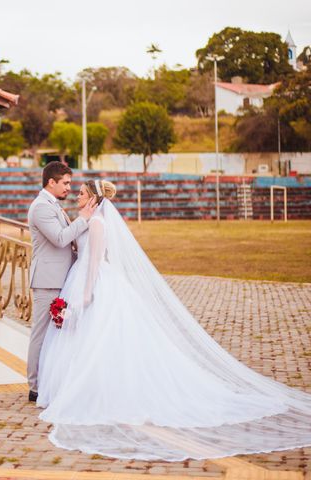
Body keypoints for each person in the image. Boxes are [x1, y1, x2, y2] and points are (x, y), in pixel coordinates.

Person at [36, 178, 311, 461]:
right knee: (87, 341)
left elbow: (94, 262)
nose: (77, 196)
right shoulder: (88, 219)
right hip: (80, 278)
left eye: (81, 193)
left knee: (99, 339)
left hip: (93, 284)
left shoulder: (96, 224)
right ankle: (85, 388)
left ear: (93, 198)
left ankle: (97, 392)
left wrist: (86, 296)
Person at [26, 161, 97, 403]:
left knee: (56, 335)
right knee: (41, 333)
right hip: (48, 279)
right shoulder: (41, 208)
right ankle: (34, 387)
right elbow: (59, 239)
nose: (69, 187)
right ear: (51, 182)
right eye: (65, 183)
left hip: (63, 278)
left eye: (70, 183)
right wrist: (83, 218)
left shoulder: (53, 205)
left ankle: (51, 380)